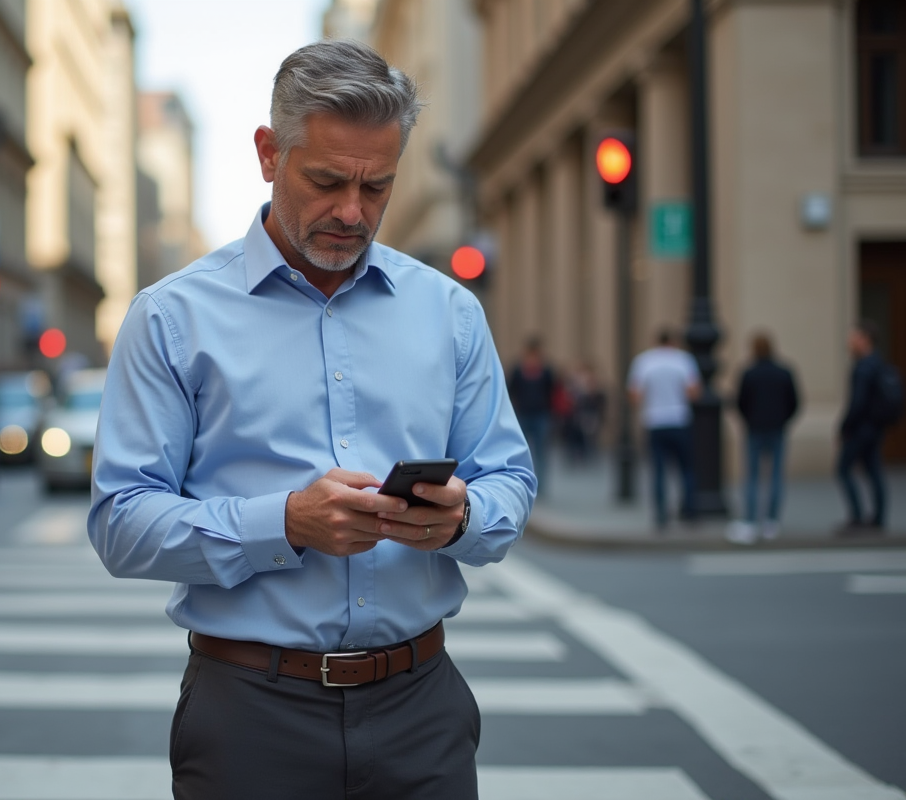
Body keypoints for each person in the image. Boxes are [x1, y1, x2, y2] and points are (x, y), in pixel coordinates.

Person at [88, 40, 536, 800]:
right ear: (269, 154)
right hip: (250, 713)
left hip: (420, 705)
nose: (352, 212)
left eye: (377, 187)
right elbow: (122, 523)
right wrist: (286, 523)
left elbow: (511, 480)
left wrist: (463, 518)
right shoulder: (170, 318)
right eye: (327, 181)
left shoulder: (449, 312)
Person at [727, 332, 799, 544]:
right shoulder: (784, 372)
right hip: (777, 428)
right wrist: (783, 419)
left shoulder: (749, 373)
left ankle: (750, 521)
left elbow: (740, 401)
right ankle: (771, 521)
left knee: (752, 476)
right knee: (776, 476)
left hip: (755, 429)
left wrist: (748, 420)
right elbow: (794, 401)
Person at [628, 329, 701, 528]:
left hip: (655, 421)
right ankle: (689, 510)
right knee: (686, 468)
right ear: (673, 342)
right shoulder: (683, 360)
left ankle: (661, 513)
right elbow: (693, 392)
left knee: (658, 470)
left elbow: (635, 395)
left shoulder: (644, 361)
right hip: (679, 419)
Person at [836, 321, 894, 534]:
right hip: (874, 427)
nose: (850, 342)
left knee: (843, 469)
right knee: (874, 470)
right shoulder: (877, 363)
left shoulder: (863, 367)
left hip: (861, 428)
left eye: (854, 337)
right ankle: (878, 517)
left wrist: (844, 427)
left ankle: (858, 516)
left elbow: (857, 402)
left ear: (864, 339)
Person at [507, 336, 555, 493]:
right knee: (522, 451)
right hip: (523, 415)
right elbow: (510, 390)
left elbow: (552, 391)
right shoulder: (518, 370)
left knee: (541, 452)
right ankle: (523, 482)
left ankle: (539, 485)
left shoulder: (546, 371)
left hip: (541, 415)